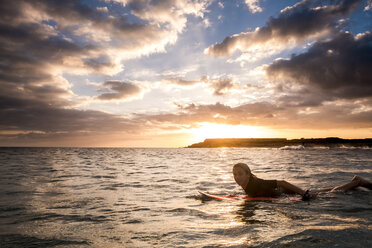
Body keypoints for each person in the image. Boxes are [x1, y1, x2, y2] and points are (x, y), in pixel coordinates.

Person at [233, 163, 372, 201]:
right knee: (325, 190)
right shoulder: (248, 185)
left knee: (333, 193)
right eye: (234, 174)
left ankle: (356, 182)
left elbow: (281, 182)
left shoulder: (256, 183)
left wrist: (303, 193)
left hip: (289, 194)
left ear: (248, 174)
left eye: (240, 174)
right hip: (287, 193)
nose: (236, 177)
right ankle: (354, 182)